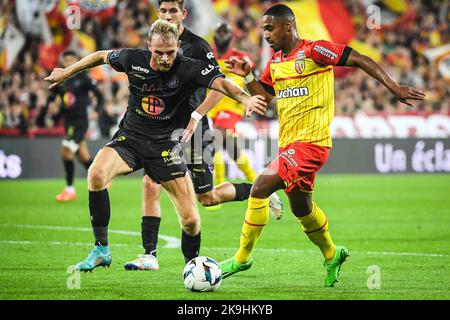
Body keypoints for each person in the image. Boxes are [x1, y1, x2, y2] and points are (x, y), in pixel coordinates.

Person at [218, 4, 426, 287]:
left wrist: (393, 86)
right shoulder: (276, 63)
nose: (265, 34)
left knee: (261, 186)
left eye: (269, 28)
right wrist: (249, 76)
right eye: (263, 29)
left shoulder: (314, 51)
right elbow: (265, 100)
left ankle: (242, 258)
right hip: (289, 145)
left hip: (312, 143)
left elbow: (359, 59)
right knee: (302, 209)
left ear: (288, 26)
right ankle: (332, 253)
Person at [45, 19, 267, 272]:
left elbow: (222, 84)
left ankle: (191, 267)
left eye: (170, 52)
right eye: (158, 52)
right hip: (131, 138)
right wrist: (67, 72)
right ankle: (101, 249)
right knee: (96, 174)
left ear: (178, 46)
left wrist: (246, 98)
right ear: (148, 45)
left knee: (192, 220)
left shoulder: (189, 68)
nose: (164, 58)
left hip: (165, 147)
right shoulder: (132, 58)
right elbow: (100, 56)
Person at [123, 0, 282, 272]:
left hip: (196, 131)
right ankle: (149, 254)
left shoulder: (198, 47)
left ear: (183, 14)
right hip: (162, 131)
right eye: (163, 11)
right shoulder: (154, 45)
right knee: (151, 183)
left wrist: (196, 116)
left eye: (173, 10)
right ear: (158, 14)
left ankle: (261, 191)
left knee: (207, 198)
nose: (168, 15)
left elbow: (219, 86)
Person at [44, 50, 104, 202]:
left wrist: (97, 110)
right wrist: (52, 110)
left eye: (72, 59)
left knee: (66, 153)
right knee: (84, 157)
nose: (69, 62)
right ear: (62, 62)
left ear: (77, 60)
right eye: (66, 59)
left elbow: (99, 95)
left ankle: (70, 190)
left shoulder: (83, 78)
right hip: (68, 123)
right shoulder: (61, 82)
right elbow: (53, 100)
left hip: (80, 123)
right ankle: (103, 178)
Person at [208, 22, 258, 190]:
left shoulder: (239, 56)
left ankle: (219, 187)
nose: (222, 35)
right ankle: (256, 182)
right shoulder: (208, 56)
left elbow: (251, 75)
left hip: (231, 106)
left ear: (231, 36)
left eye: (225, 32)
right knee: (231, 148)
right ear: (214, 36)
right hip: (211, 107)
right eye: (219, 32)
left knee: (217, 139)